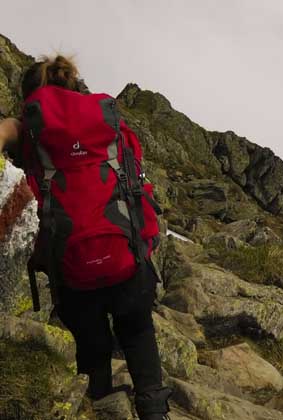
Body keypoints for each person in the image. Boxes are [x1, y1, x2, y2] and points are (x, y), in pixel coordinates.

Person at [5, 56, 171, 420]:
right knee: (138, 331)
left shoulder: (28, 129)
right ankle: (154, 409)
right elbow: (134, 169)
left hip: (71, 271)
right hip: (127, 257)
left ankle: (98, 403)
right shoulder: (107, 117)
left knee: (91, 343)